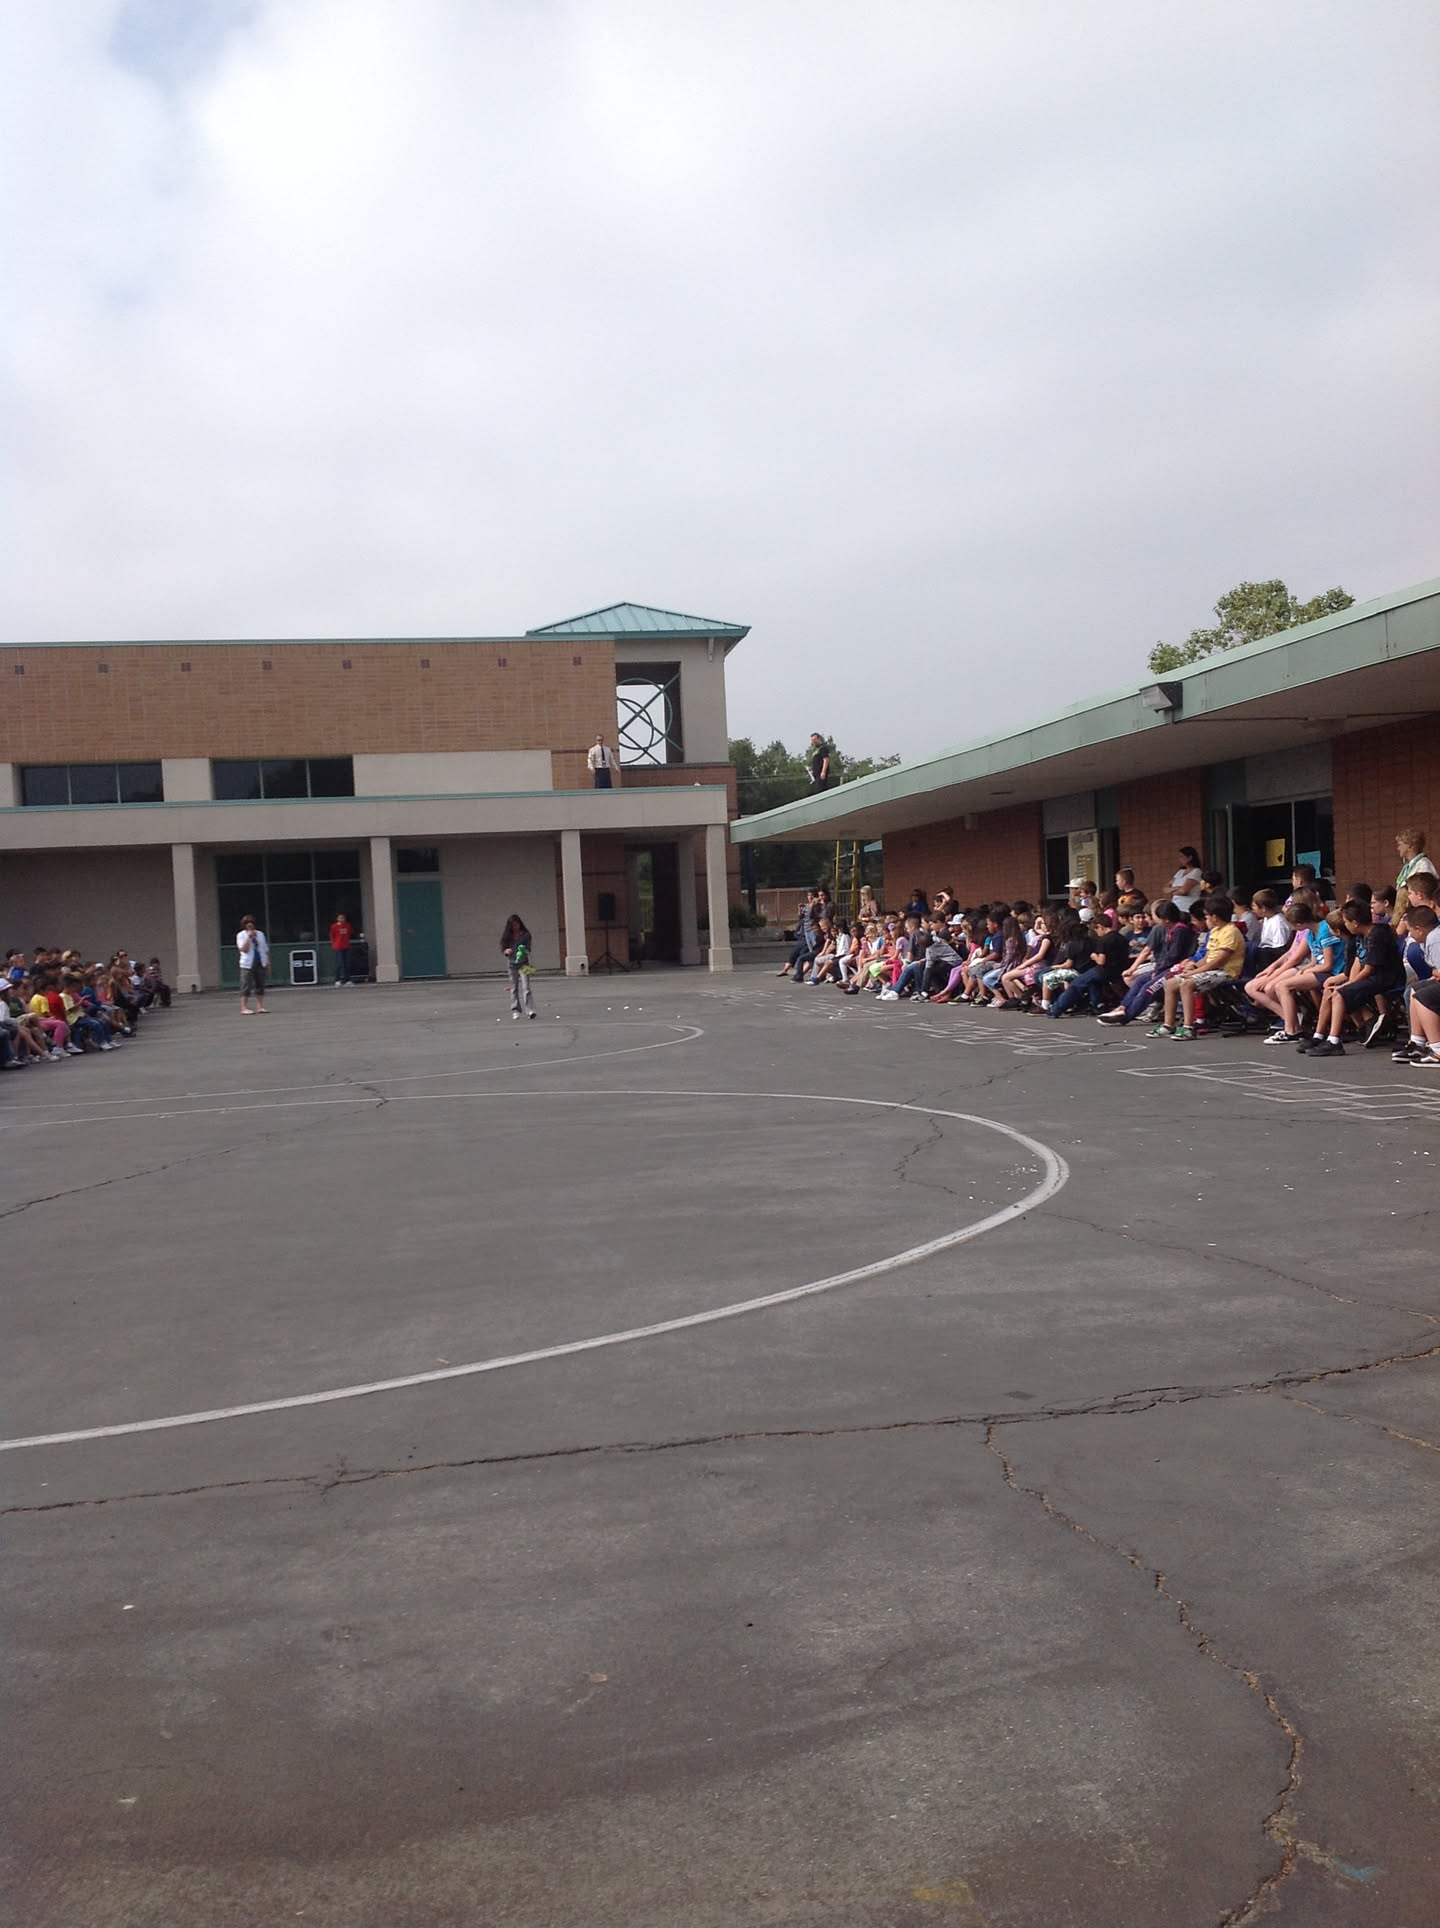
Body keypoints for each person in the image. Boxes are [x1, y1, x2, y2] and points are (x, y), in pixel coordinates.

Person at [500, 913, 537, 1019]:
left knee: (526, 987)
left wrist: (524, 950)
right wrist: (506, 951)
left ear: (520, 924)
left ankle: (530, 1010)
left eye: (517, 925)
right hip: (512, 964)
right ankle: (515, 1009)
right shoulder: (508, 936)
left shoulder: (525, 935)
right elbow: (504, 948)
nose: (515, 927)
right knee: (514, 987)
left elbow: (528, 949)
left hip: (524, 964)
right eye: (513, 925)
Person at [237, 914, 270, 1014]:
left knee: (260, 984)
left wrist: (268, 963)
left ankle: (260, 1007)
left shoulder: (260, 934)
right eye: (247, 923)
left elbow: (265, 949)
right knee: (246, 984)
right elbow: (244, 949)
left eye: (251, 923)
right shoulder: (241, 935)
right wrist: (248, 937)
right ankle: (244, 1008)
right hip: (247, 963)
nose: (249, 924)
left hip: (260, 961)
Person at [1170, 847, 1205, 912]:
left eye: (1182, 857)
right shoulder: (1180, 872)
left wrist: (1172, 891)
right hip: (1176, 906)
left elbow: (1183, 891)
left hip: (1187, 907)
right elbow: (1165, 889)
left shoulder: (1196, 871)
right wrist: (1177, 888)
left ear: (1190, 858)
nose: (1180, 859)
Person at [329, 909, 354, 987]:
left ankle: (347, 980)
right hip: (338, 946)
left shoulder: (347, 925)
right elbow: (332, 936)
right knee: (339, 964)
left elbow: (350, 933)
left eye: (343, 917)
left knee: (347, 964)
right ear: (337, 918)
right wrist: (334, 944)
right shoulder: (334, 926)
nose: (342, 919)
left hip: (346, 946)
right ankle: (337, 980)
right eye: (340, 917)